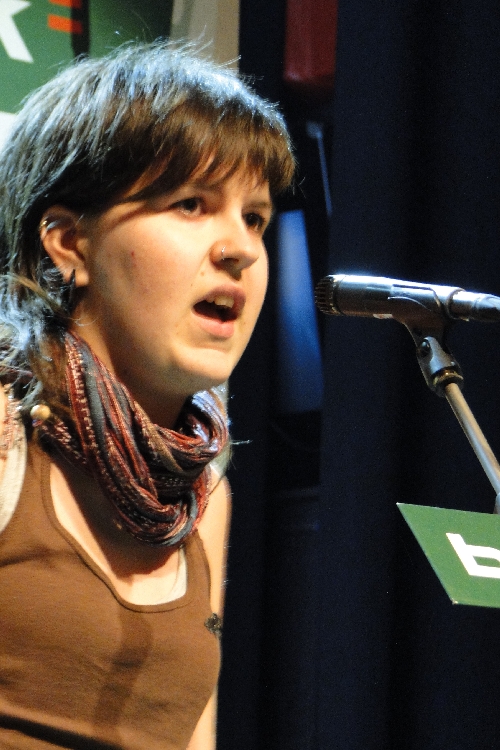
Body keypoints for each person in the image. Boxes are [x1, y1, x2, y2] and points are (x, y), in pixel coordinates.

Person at [0, 41, 294, 749]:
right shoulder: (8, 433)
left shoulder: (202, 496)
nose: (241, 248)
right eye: (191, 204)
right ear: (69, 242)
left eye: (254, 217)